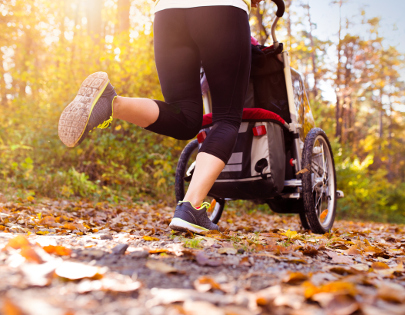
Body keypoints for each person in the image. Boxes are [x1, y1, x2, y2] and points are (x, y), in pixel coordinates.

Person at [58, 0, 262, 233]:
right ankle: (192, 208)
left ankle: (112, 104)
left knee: (185, 116)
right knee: (226, 118)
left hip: (168, 12)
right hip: (222, 8)